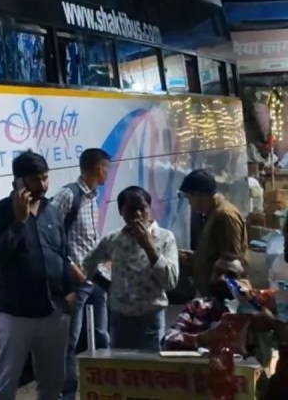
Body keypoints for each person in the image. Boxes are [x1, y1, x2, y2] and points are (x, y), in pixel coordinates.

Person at [0, 151, 76, 400]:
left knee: (52, 383)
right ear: (19, 181)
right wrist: (19, 222)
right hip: (15, 314)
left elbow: (62, 254)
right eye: (36, 180)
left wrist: (70, 292)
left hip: (53, 312)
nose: (43, 186)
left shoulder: (52, 212)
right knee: (5, 383)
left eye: (46, 178)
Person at [83, 186, 179, 351]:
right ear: (121, 211)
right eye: (131, 210)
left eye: (143, 209)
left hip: (151, 318)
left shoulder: (164, 238)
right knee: (122, 367)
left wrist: (148, 246)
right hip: (120, 319)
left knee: (151, 368)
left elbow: (170, 281)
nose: (138, 215)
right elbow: (88, 263)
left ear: (150, 208)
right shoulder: (114, 239)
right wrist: (107, 285)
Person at [51, 148, 111, 400]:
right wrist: (70, 265)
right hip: (76, 280)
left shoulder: (93, 197)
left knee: (101, 335)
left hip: (97, 277)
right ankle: (69, 393)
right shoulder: (68, 195)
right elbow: (50, 233)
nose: (108, 171)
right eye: (107, 167)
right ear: (99, 168)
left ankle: (106, 386)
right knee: (71, 340)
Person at [161, 254, 277, 351]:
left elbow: (270, 324)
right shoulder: (198, 307)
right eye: (218, 273)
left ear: (244, 280)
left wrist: (250, 301)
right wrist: (203, 338)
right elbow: (168, 340)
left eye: (230, 275)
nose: (222, 279)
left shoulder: (252, 310)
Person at [179, 169, 248, 297]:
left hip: (222, 297)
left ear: (200, 196)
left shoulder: (225, 216)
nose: (189, 203)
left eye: (189, 197)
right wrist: (196, 258)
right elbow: (215, 254)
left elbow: (232, 263)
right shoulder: (212, 214)